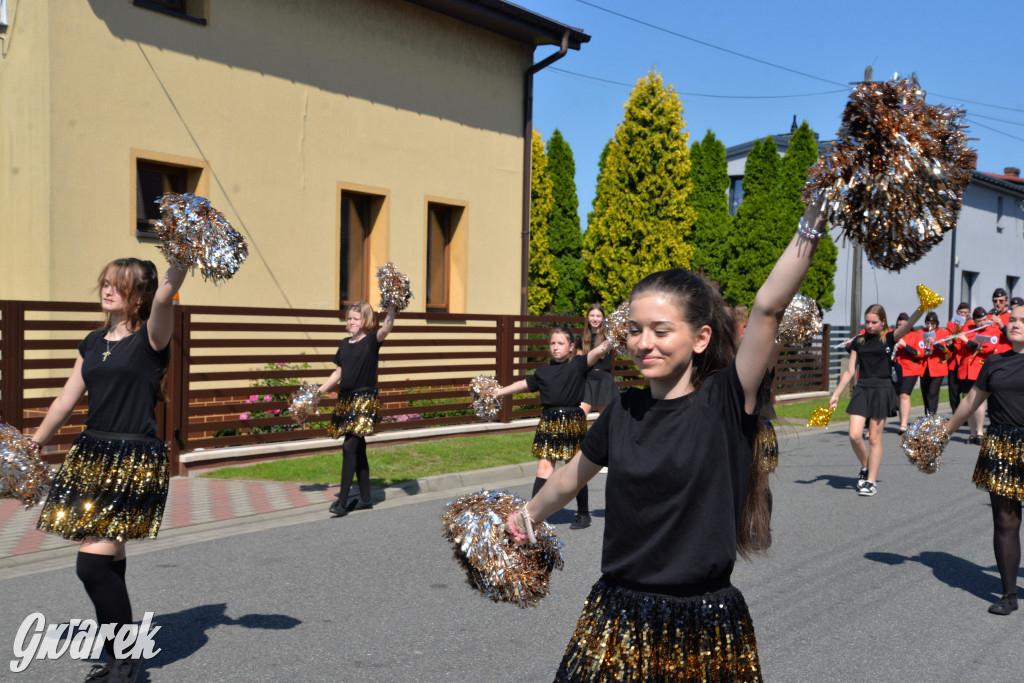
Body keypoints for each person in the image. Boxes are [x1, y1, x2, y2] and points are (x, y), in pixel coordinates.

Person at [505, 202, 826, 680]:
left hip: (703, 622)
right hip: (617, 614)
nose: (644, 343)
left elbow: (767, 306)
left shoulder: (726, 401)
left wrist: (814, 220)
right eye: (635, 330)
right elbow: (571, 477)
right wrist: (526, 515)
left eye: (660, 330)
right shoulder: (624, 409)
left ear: (700, 339)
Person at [32, 257, 186, 683]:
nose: (107, 290)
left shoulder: (152, 338)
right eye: (105, 282)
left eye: (119, 285)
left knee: (92, 566)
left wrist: (185, 254)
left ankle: (124, 663)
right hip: (91, 454)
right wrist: (33, 445)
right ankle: (123, 657)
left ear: (139, 295)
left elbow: (166, 295)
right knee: (109, 558)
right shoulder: (93, 340)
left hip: (131, 459)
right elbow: (65, 401)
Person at [945, 302, 1024, 615]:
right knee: (1005, 521)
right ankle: (1008, 593)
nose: (1015, 323)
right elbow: (970, 401)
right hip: (1003, 444)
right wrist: (945, 433)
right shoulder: (993, 363)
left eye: (1022, 320)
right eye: (1013, 319)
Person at [495, 326, 611, 530]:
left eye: (560, 343)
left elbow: (599, 350)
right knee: (544, 468)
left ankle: (583, 514)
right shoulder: (542, 371)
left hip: (572, 420)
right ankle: (532, 517)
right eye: (552, 343)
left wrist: (615, 335)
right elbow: (523, 384)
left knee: (576, 469)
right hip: (549, 422)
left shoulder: (579, 364)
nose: (556, 348)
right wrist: (499, 392)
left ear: (572, 347)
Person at [830, 303, 922, 496]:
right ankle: (866, 466)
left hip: (882, 389)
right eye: (867, 322)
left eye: (874, 322)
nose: (870, 326)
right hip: (862, 388)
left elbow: (908, 325)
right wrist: (836, 394)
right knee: (854, 435)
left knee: (873, 438)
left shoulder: (889, 338)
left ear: (882, 322)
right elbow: (849, 371)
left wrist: (923, 306)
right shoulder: (859, 341)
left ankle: (871, 481)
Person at [318, 302, 396, 517]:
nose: (351, 322)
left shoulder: (372, 341)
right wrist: (318, 392)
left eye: (356, 319)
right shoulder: (344, 344)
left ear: (366, 321)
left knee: (349, 446)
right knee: (358, 449)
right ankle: (366, 498)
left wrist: (392, 309)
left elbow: (387, 328)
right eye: (349, 318)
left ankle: (342, 501)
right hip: (346, 399)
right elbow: (337, 373)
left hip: (364, 399)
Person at [954, 306, 1010, 445]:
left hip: (979, 369)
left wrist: (968, 341)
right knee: (967, 400)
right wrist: (954, 340)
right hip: (965, 369)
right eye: (979, 321)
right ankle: (972, 433)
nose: (983, 323)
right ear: (975, 321)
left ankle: (979, 433)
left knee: (977, 401)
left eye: (985, 319)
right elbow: (958, 348)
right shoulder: (969, 330)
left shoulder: (993, 331)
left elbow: (986, 349)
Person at [579, 304, 618, 415]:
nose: (595, 319)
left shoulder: (608, 336)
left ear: (603, 318)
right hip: (587, 380)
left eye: (598, 316)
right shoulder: (582, 337)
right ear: (587, 317)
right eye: (592, 315)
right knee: (579, 418)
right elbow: (578, 362)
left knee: (604, 421)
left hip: (604, 380)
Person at [894, 312, 925, 434]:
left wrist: (905, 345)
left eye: (903, 325)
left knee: (904, 395)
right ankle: (902, 420)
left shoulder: (916, 335)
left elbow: (920, 354)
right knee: (898, 397)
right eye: (898, 325)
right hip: (896, 370)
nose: (900, 327)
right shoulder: (894, 335)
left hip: (910, 369)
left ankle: (903, 425)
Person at [919, 311, 951, 416]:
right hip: (924, 367)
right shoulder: (921, 332)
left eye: (932, 324)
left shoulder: (943, 332)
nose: (929, 326)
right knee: (925, 392)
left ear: (937, 323)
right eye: (928, 323)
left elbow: (946, 350)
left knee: (932, 393)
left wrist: (935, 343)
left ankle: (932, 416)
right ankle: (927, 414)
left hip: (938, 367)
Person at [947, 302, 971, 413]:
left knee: (966, 390)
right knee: (953, 390)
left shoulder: (971, 324)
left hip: (965, 361)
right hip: (953, 361)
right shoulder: (951, 324)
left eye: (965, 313)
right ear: (957, 313)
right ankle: (955, 413)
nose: (962, 315)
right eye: (960, 312)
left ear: (969, 313)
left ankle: (966, 413)